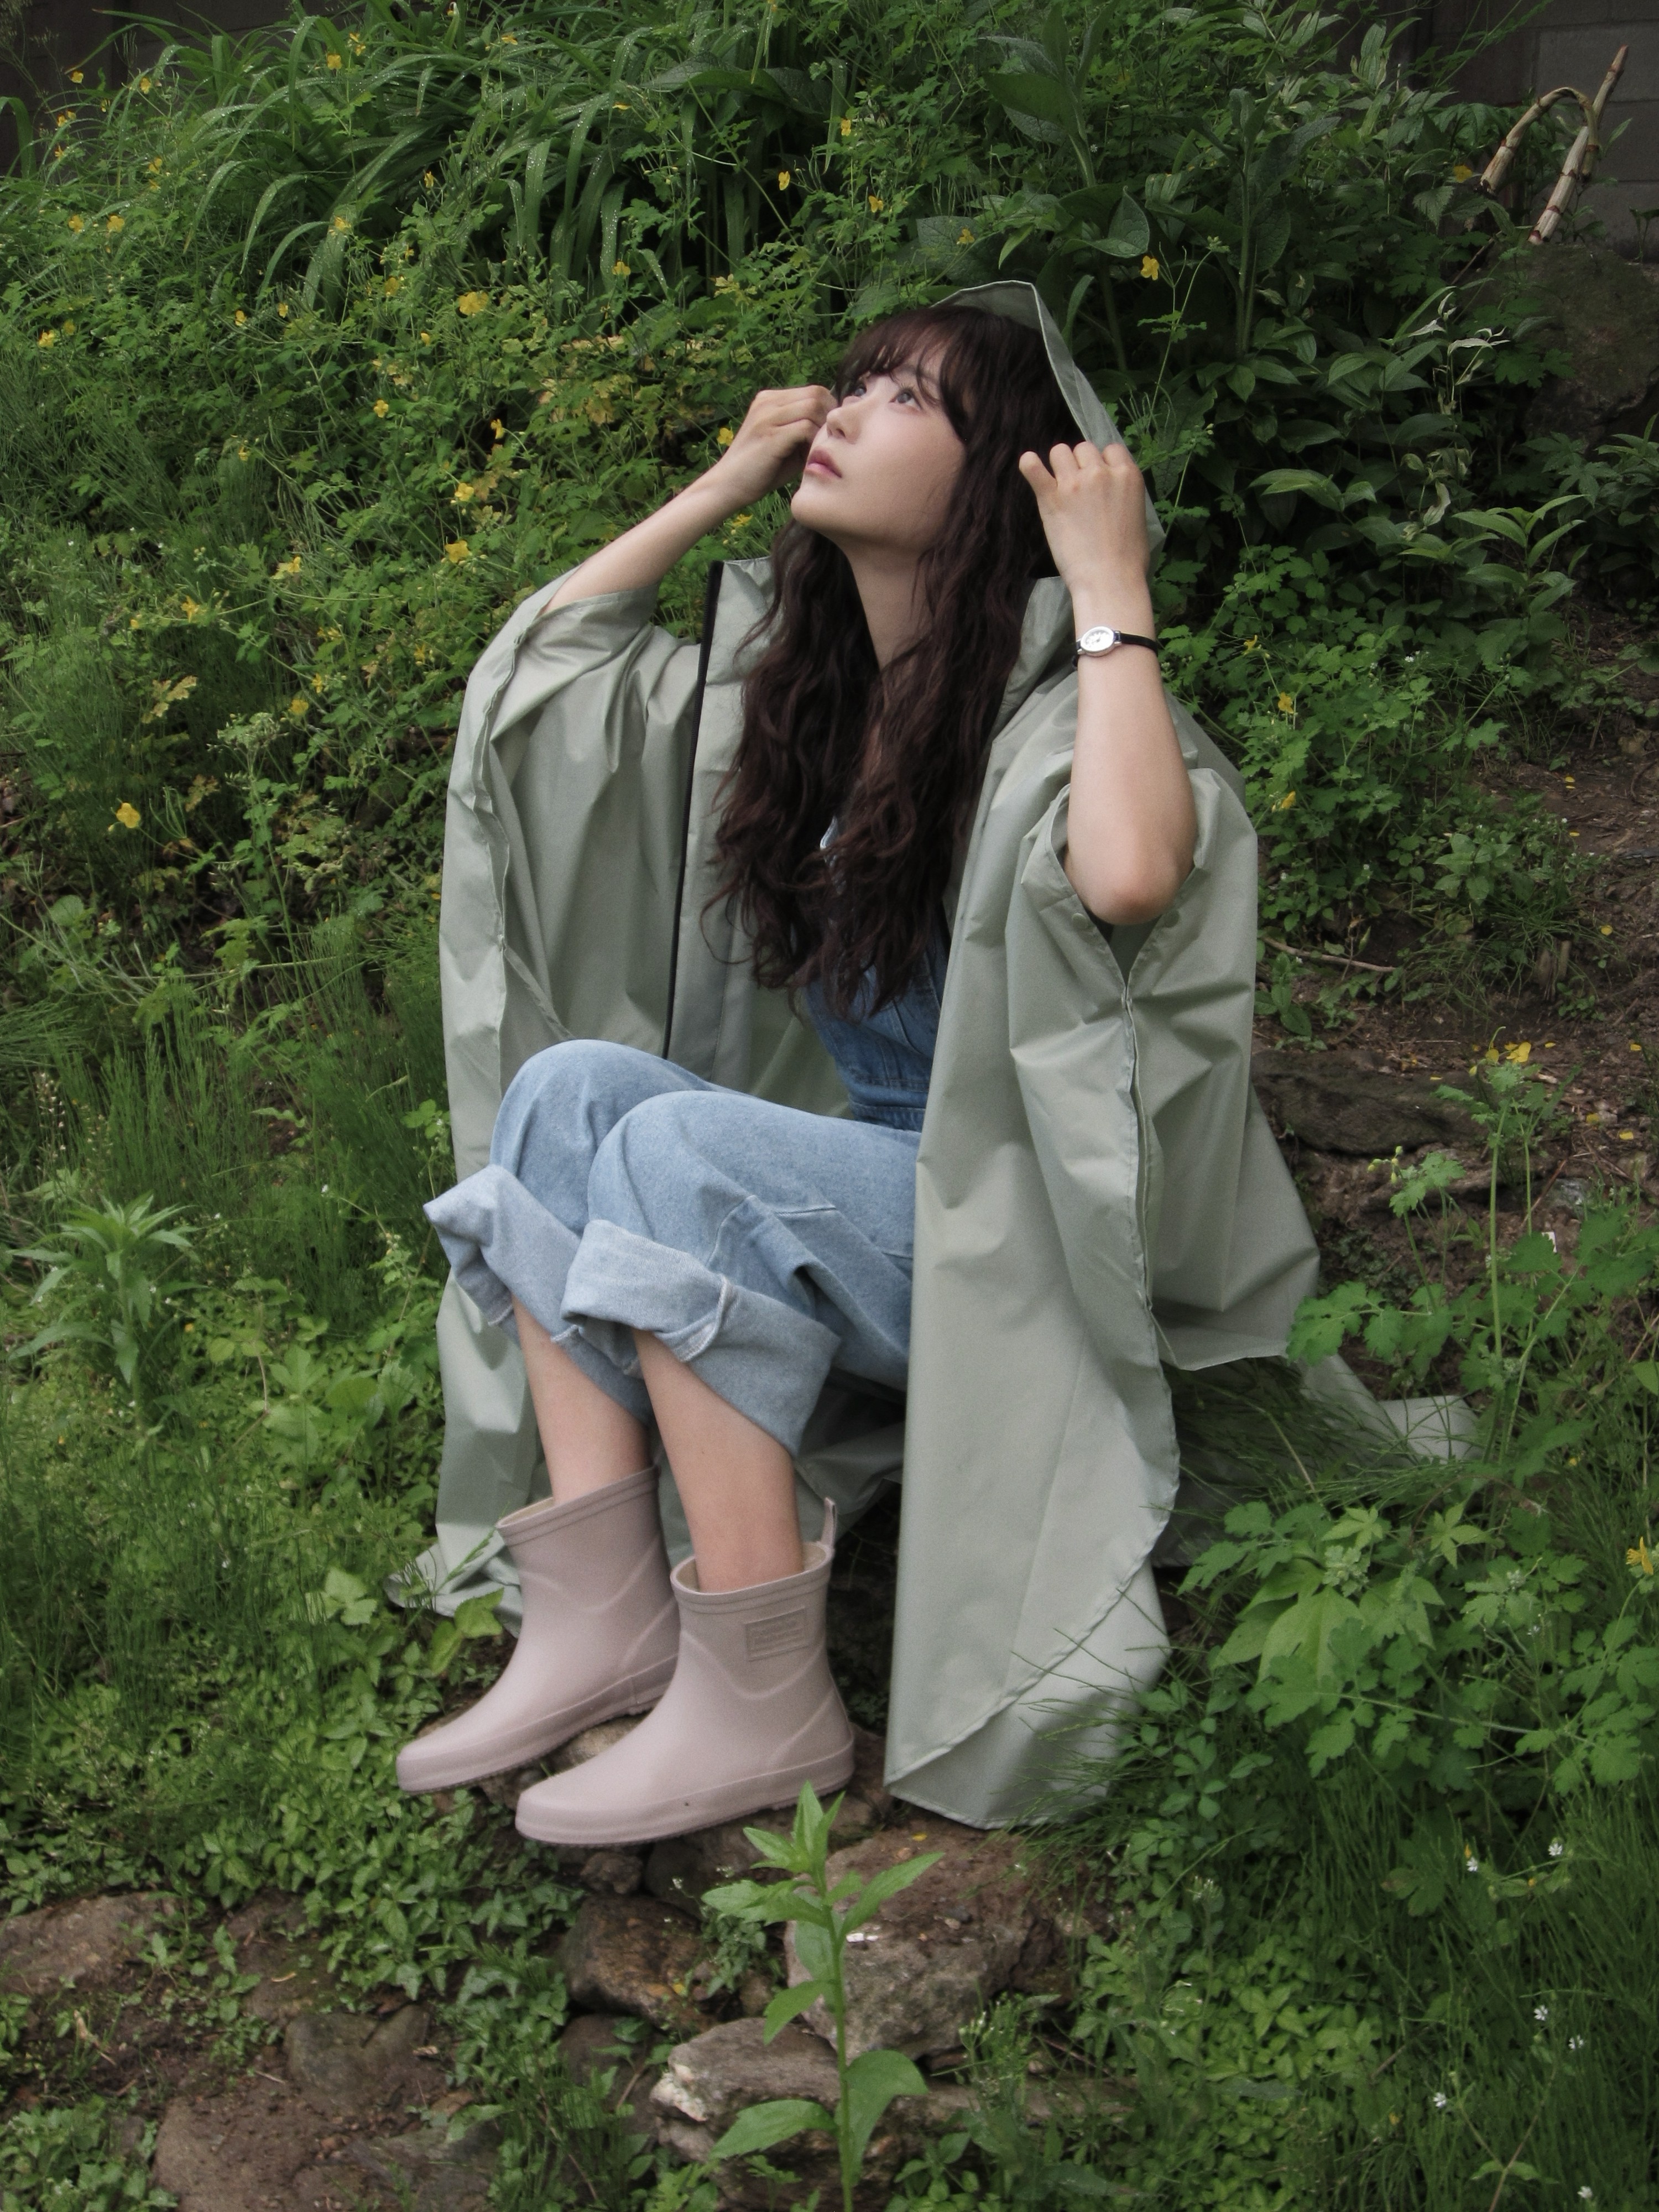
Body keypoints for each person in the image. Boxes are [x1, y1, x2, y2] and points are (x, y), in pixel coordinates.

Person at [398, 283, 1318, 1841]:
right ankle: (604, 1617)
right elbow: (538, 684)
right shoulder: (821, 700)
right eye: (857, 380)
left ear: (1005, 480)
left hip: (1026, 1232)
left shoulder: (1060, 714)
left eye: (907, 400)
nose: (845, 411)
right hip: (901, 1203)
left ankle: (765, 1697)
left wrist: (1110, 584)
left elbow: (1132, 872)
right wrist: (722, 486)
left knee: (676, 1156)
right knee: (566, 1098)